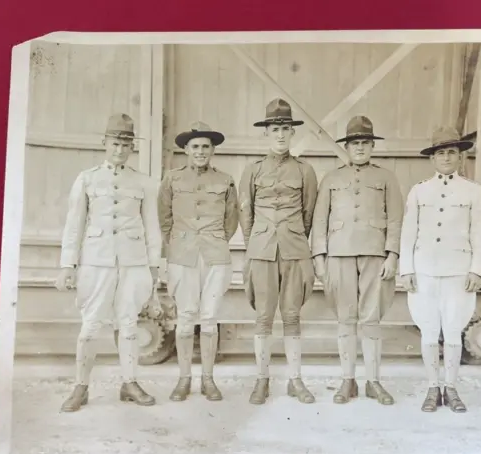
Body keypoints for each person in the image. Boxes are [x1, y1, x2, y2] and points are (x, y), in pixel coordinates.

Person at [55, 113, 161, 412]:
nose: (120, 150)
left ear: (132, 148)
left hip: (132, 263)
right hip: (96, 262)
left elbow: (152, 228)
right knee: (90, 327)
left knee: (128, 326)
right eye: (115, 143)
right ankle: (81, 387)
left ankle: (129, 383)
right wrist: (67, 265)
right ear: (105, 143)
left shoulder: (144, 183)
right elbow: (74, 225)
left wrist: (153, 270)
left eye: (126, 144)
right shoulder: (87, 178)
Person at [311, 116, 404, 405]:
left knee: (371, 318)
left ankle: (374, 382)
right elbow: (319, 219)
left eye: (365, 143)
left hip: (375, 254)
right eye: (355, 143)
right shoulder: (331, 178)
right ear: (347, 147)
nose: (360, 148)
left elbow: (397, 219)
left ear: (372, 146)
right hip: (339, 254)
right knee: (345, 319)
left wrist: (393, 254)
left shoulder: (386, 178)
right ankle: (347, 381)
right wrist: (319, 256)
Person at [399, 126, 481, 413]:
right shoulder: (419, 191)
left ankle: (450, 388)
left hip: (458, 273)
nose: (447, 157)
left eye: (452, 152)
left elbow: (480, 233)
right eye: (441, 152)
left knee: (452, 332)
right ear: (432, 158)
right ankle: (432, 387)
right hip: (424, 271)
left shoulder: (473, 191)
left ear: (460, 157)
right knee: (428, 332)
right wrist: (407, 269)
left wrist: (476, 270)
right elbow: (408, 232)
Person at [238, 98, 319, 405]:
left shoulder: (305, 170)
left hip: (295, 250)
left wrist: (294, 238)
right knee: (263, 316)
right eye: (275, 129)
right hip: (261, 251)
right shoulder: (253, 170)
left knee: (292, 315)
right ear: (266, 133)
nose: (281, 135)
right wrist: (255, 244)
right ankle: (262, 380)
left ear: (292, 132)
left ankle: (295, 380)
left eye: (285, 129)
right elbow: (246, 214)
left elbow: (308, 212)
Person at [158, 122, 239, 402]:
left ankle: (208, 379)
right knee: (185, 318)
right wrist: (181, 244)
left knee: (209, 319)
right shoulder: (171, 179)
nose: (201, 151)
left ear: (213, 150)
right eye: (195, 147)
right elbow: (164, 219)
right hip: (183, 256)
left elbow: (231, 221)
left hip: (215, 256)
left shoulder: (225, 180)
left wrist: (213, 240)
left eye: (206, 146)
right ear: (186, 150)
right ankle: (183, 379)